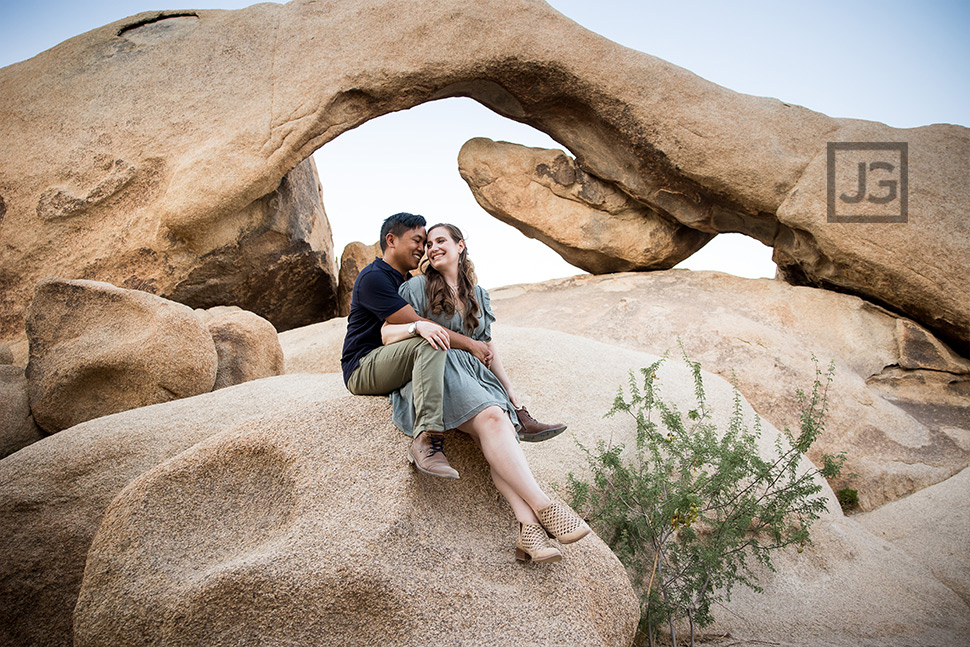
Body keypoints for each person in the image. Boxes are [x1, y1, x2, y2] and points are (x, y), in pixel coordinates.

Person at [380, 223, 589, 563]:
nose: (432, 248)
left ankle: (528, 529)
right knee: (493, 419)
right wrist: (422, 328)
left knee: (500, 429)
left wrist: (511, 394)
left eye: (441, 241)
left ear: (461, 245)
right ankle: (545, 507)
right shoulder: (416, 287)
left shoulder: (480, 294)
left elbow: (489, 347)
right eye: (428, 244)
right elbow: (388, 332)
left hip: (476, 378)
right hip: (438, 369)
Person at [341, 213, 566, 481]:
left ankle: (516, 415)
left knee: (445, 353)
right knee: (431, 342)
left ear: (460, 246)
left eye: (425, 243)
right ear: (391, 240)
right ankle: (427, 437)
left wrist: (506, 386)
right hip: (364, 365)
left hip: (396, 360)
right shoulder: (374, 277)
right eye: (418, 241)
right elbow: (417, 323)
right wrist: (470, 344)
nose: (422, 249)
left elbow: (480, 336)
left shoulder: (408, 281)